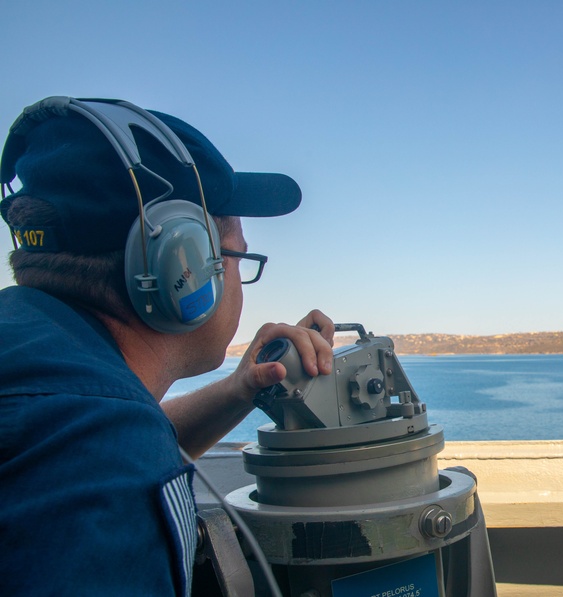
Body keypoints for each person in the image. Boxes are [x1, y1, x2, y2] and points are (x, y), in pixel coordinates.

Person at [0, 97, 333, 595]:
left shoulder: (47, 376)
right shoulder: (106, 472)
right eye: (239, 256)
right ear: (186, 267)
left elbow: (100, 431)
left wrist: (239, 388)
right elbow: (110, 453)